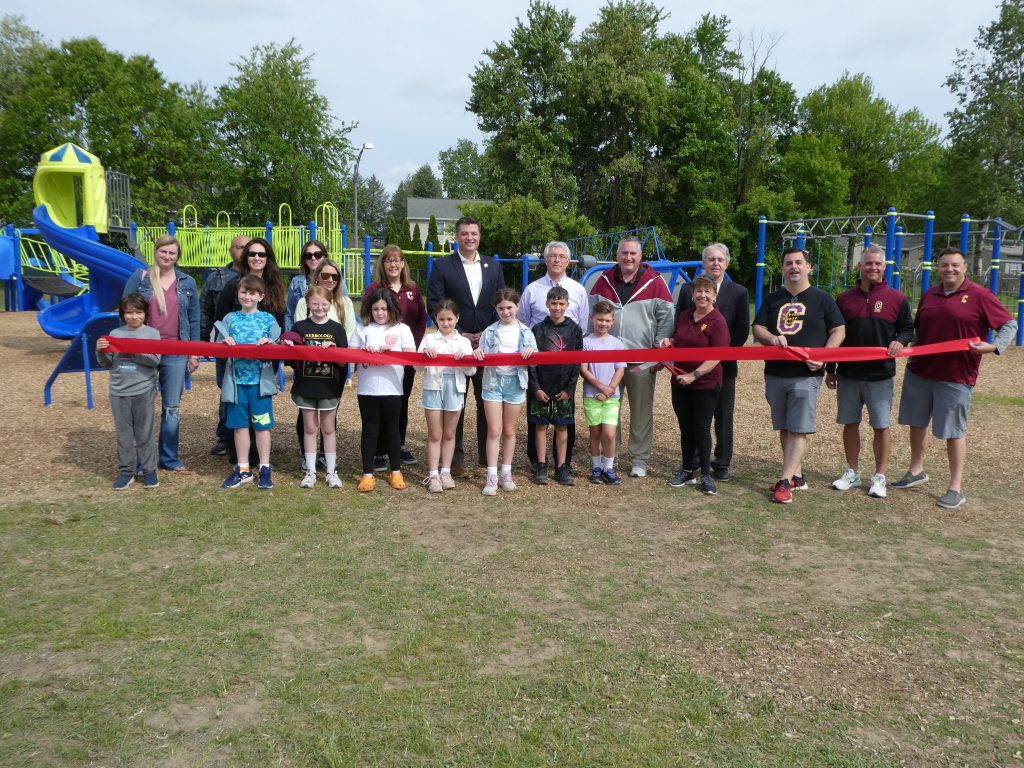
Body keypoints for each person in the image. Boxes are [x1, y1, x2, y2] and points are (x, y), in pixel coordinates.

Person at [892, 247, 1016, 509]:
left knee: (953, 431)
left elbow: (1009, 324)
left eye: (955, 265)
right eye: (945, 265)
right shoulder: (929, 295)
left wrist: (994, 346)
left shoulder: (980, 296)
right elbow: (919, 331)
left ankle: (955, 487)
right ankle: (916, 471)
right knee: (916, 422)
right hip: (920, 371)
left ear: (965, 268)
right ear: (938, 267)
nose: (949, 269)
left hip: (956, 375)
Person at [752, 247, 846, 504]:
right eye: (788, 263)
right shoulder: (773, 299)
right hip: (775, 372)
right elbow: (757, 328)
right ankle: (796, 475)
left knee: (798, 429)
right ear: (782, 268)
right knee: (784, 426)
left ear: (809, 267)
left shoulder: (823, 299)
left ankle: (785, 483)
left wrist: (825, 357)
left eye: (798, 263)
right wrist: (771, 338)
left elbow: (838, 330)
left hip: (806, 373)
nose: (794, 267)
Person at [825, 245, 914, 499]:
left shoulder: (897, 298)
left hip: (880, 375)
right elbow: (835, 334)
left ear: (884, 266)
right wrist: (831, 370)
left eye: (878, 264)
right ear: (860, 266)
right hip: (849, 374)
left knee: (881, 425)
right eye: (868, 263)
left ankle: (879, 476)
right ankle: (852, 472)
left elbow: (908, 329)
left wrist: (901, 341)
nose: (873, 268)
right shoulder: (844, 299)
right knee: (850, 423)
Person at [586, 236, 674, 477]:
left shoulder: (654, 282)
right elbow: (589, 316)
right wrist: (588, 347)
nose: (628, 257)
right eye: (624, 253)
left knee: (641, 410)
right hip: (608, 360)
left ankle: (639, 459)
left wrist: (659, 352)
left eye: (633, 254)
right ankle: (609, 458)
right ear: (617, 255)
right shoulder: (603, 280)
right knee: (607, 409)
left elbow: (667, 317)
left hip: (640, 359)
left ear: (640, 256)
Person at [426, 216, 506, 477]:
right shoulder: (442, 266)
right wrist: (458, 334)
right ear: (456, 237)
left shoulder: (493, 266)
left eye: (473, 233)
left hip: (486, 343)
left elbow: (501, 301)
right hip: (455, 345)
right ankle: (455, 460)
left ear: (479, 236)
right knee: (454, 401)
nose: (469, 237)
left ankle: (486, 456)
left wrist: (489, 331)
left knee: (487, 400)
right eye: (464, 233)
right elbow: (436, 303)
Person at [123, 234, 200, 472]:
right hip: (145, 350)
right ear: (155, 252)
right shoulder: (142, 278)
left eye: (172, 253)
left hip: (176, 349)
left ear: (177, 256)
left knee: (172, 408)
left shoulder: (186, 282)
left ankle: (168, 457)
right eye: (163, 251)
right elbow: (126, 309)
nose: (167, 256)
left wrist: (193, 353)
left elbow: (194, 318)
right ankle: (142, 460)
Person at [673, 243, 750, 481]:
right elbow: (681, 323)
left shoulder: (738, 292)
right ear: (703, 263)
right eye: (711, 259)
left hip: (723, 366)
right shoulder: (688, 289)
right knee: (695, 416)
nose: (715, 263)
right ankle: (694, 461)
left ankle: (722, 462)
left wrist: (720, 356)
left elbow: (741, 331)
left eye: (720, 260)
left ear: (726, 263)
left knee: (723, 416)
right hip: (689, 366)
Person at [214, 238, 286, 466]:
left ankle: (260, 457)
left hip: (262, 364)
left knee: (259, 409)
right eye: (252, 253)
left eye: (262, 254)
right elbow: (219, 320)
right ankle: (238, 455)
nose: (256, 257)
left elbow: (279, 326)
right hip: (236, 364)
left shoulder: (274, 287)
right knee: (235, 407)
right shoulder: (234, 285)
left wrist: (274, 348)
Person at [519, 241, 588, 474]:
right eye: (552, 256)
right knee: (537, 420)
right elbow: (524, 324)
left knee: (564, 421)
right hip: (540, 369)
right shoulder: (532, 289)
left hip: (565, 370)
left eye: (561, 256)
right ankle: (538, 462)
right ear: (545, 259)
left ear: (568, 261)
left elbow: (583, 324)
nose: (557, 260)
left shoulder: (578, 289)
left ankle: (563, 463)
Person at [661, 276, 730, 495]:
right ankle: (688, 470)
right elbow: (678, 340)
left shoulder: (718, 321)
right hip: (680, 380)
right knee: (685, 428)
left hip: (705, 383)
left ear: (714, 295)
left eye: (707, 291)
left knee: (702, 428)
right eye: (698, 291)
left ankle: (706, 476)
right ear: (692, 294)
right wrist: (669, 343)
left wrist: (695, 374)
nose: (702, 295)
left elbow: (717, 356)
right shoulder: (683, 316)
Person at [364, 244, 428, 469]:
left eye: (397, 260)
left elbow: (421, 318)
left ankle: (398, 446)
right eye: (388, 260)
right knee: (379, 401)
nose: (393, 264)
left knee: (400, 400)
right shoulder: (375, 288)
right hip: (379, 357)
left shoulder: (412, 288)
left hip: (405, 356)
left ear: (403, 263)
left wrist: (414, 346)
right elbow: (366, 318)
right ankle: (379, 451)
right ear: (382, 264)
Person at [291, 256, 356, 473]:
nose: (329, 279)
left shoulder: (341, 314)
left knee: (329, 424)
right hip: (307, 379)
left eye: (334, 276)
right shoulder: (301, 316)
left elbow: (346, 346)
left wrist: (334, 349)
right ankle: (308, 464)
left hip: (331, 378)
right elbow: (295, 345)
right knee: (309, 424)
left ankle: (329, 467)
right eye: (325, 275)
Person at [281, 285, 348, 489]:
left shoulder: (337, 329)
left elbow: (345, 362)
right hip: (306, 385)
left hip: (329, 386)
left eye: (324, 303)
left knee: (328, 428)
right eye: (315, 303)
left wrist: (335, 352)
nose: (319, 307)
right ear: (308, 304)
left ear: (331, 304)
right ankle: (310, 471)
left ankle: (331, 471)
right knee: (309, 428)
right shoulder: (300, 327)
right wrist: (290, 348)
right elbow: (291, 360)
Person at [473, 288, 537, 496]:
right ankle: (491, 475)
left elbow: (534, 355)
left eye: (509, 307)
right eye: (501, 308)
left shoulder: (526, 332)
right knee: (494, 430)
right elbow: (481, 353)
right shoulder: (490, 331)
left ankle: (506, 472)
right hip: (492, 383)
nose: (505, 312)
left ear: (517, 306)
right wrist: (478, 352)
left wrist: (530, 353)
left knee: (509, 430)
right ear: (495, 309)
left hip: (515, 383)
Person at [352, 288, 417, 493]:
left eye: (384, 309)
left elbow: (411, 355)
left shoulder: (402, 329)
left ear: (392, 309)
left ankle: (396, 470)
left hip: (393, 388)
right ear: (369, 310)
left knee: (392, 429)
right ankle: (367, 474)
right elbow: (351, 354)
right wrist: (364, 353)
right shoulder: (361, 329)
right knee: (370, 430)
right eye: (376, 309)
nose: (380, 313)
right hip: (367, 389)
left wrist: (391, 354)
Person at [96, 294, 162, 490]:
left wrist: (133, 350)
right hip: (118, 390)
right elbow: (107, 363)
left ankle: (149, 471)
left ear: (145, 314)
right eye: (129, 313)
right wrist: (100, 351)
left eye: (138, 312)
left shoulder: (152, 334)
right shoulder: (115, 333)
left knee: (144, 433)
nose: (134, 317)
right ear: (123, 314)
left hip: (143, 388)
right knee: (124, 434)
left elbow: (155, 361)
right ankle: (126, 471)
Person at [416, 299, 476, 493]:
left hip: (455, 388)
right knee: (435, 434)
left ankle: (446, 472)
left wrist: (463, 360)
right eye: (441, 319)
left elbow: (472, 371)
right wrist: (425, 356)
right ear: (436, 319)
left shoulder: (464, 342)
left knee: (449, 434)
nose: (446, 323)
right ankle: (433, 474)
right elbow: (417, 367)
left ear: (457, 318)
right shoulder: (429, 339)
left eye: (450, 319)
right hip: (433, 387)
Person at [527, 286, 583, 486]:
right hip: (542, 388)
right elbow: (531, 362)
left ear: (567, 305)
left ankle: (561, 467)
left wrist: (570, 390)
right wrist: (536, 388)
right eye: (554, 303)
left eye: (561, 304)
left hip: (563, 390)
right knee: (540, 427)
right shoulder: (538, 329)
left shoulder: (575, 330)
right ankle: (541, 465)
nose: (557, 307)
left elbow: (577, 363)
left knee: (562, 427)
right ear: (547, 304)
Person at [200, 233, 248, 456]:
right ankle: (225, 436)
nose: (244, 251)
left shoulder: (258, 276)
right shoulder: (217, 278)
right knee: (227, 389)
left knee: (251, 391)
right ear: (231, 250)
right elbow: (206, 310)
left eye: (247, 247)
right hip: (226, 343)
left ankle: (252, 438)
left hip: (251, 346)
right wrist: (203, 340)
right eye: (239, 247)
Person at [579, 300, 626, 485]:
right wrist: (600, 387)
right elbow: (584, 369)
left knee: (609, 434)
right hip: (592, 395)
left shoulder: (617, 344)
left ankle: (609, 467)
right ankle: (596, 467)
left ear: (612, 321)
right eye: (600, 320)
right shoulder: (586, 342)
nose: (603, 324)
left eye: (607, 320)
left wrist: (609, 390)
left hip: (611, 397)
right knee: (595, 434)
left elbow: (620, 369)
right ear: (592, 318)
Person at [285, 239, 328, 332]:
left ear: (324, 257)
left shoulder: (334, 279)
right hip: (302, 333)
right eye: (308, 256)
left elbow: (344, 308)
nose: (313, 258)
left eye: (317, 255)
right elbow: (289, 313)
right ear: (304, 260)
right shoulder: (296, 282)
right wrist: (288, 336)